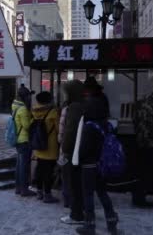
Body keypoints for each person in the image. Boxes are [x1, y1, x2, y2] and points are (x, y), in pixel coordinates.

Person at [76, 77, 118, 234]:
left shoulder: (89, 127)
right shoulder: (105, 124)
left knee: (88, 194)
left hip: (89, 164)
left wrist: (78, 158)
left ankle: (90, 225)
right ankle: (112, 222)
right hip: (101, 163)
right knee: (102, 192)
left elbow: (84, 149)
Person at [60, 80, 87, 225]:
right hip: (80, 150)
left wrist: (64, 149)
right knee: (78, 183)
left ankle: (76, 215)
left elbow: (70, 132)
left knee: (73, 183)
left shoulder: (74, 107)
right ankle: (80, 211)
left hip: (73, 152)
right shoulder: (82, 104)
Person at [31, 91, 60, 203]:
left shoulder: (34, 111)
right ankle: (47, 194)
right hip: (50, 146)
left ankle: (39, 192)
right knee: (48, 171)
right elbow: (58, 130)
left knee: (40, 169)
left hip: (39, 145)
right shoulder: (53, 112)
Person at [12, 93, 35, 196]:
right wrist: (34, 118)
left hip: (18, 139)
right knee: (24, 166)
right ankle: (24, 189)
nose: (30, 99)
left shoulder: (15, 107)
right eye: (29, 97)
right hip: (24, 140)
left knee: (19, 166)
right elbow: (27, 126)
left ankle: (18, 188)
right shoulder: (23, 109)